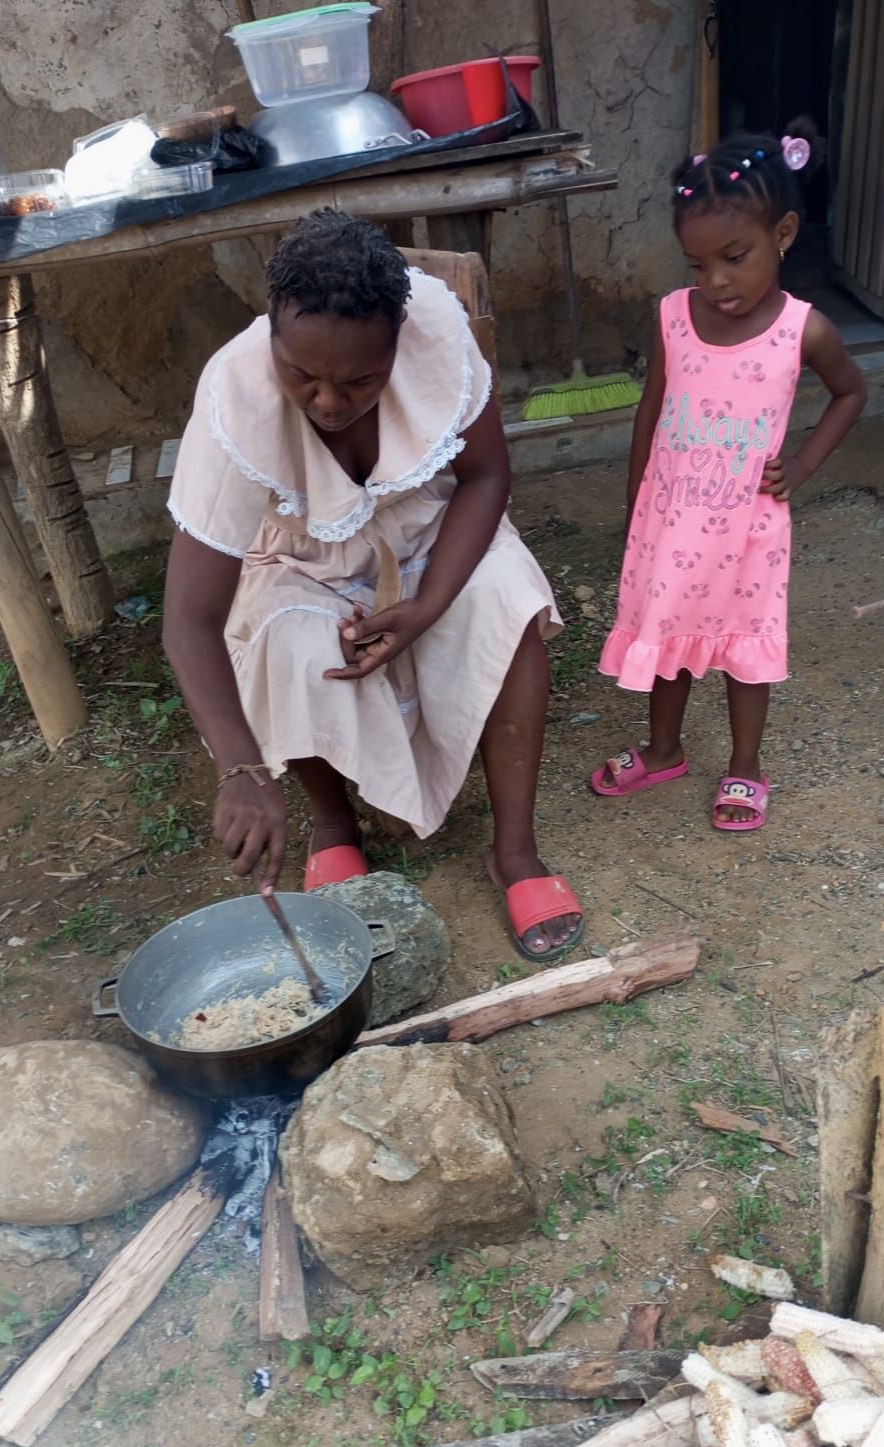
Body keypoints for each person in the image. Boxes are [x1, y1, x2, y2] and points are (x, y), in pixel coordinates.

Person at [162, 210, 583, 959]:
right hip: (303, 561)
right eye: (303, 375)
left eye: (360, 379)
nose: (328, 401)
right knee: (290, 640)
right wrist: (241, 767)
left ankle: (515, 851)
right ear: (272, 330)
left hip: (429, 531)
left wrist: (428, 605)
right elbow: (189, 618)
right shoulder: (235, 397)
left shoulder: (437, 336)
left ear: (398, 342)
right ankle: (334, 827)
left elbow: (486, 478)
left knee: (506, 600)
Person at [591, 124, 867, 830]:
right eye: (697, 264)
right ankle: (664, 750)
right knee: (672, 637)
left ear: (784, 233)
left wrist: (801, 464)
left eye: (734, 257)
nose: (715, 281)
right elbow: (652, 410)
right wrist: (637, 504)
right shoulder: (673, 318)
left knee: (746, 647)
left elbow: (850, 392)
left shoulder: (804, 330)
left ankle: (745, 766)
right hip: (672, 522)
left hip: (749, 532)